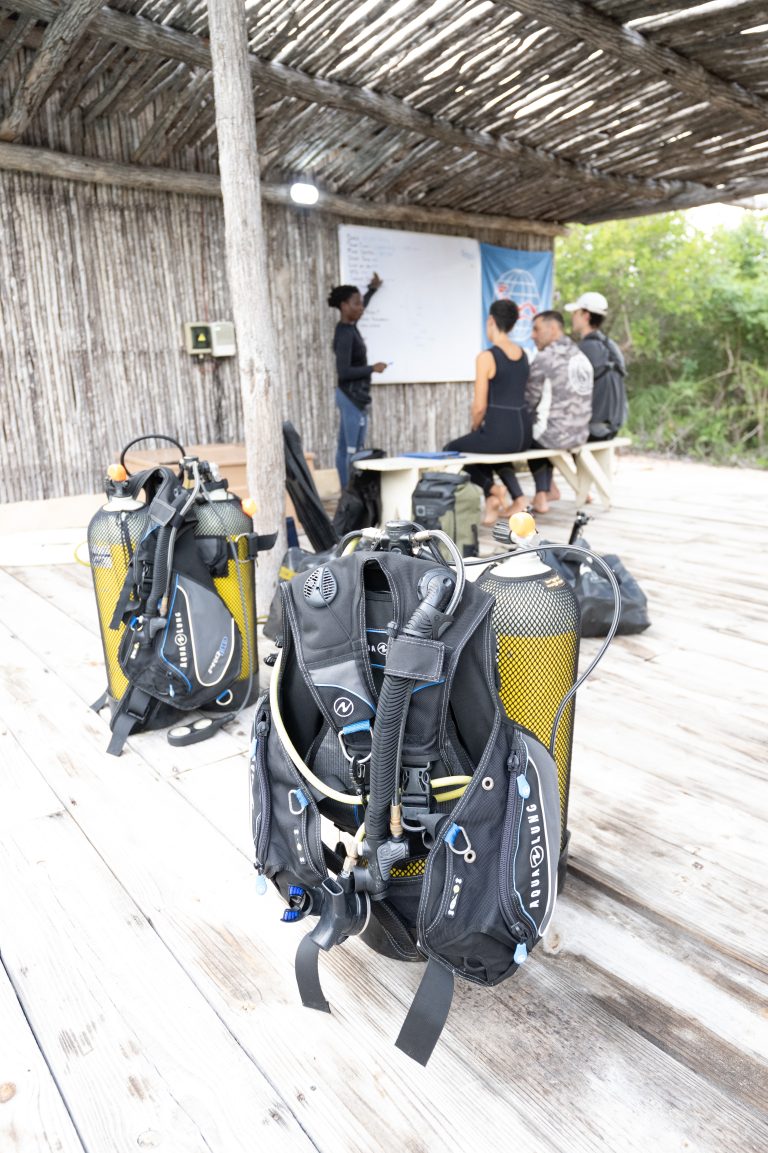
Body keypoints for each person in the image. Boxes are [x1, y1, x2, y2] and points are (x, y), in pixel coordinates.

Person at [443, 298, 532, 523]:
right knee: (490, 449)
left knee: (452, 449)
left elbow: (479, 406)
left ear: (491, 320)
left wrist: (475, 426)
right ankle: (508, 499)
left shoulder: (487, 357)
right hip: (523, 434)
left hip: (501, 433)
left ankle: (492, 489)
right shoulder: (523, 354)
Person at [525, 310, 593, 514]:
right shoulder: (581, 355)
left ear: (553, 328)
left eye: (536, 329)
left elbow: (529, 400)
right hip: (581, 433)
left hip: (556, 436)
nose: (532, 335)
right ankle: (577, 489)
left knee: (528, 433)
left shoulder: (545, 358)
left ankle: (541, 495)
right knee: (547, 425)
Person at [328, 274, 387, 487]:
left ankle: (348, 491)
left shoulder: (350, 326)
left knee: (348, 448)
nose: (361, 307)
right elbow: (343, 372)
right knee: (350, 450)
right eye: (357, 304)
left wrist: (372, 290)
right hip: (351, 397)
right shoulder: (344, 334)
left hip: (356, 397)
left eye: (362, 303)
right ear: (344, 306)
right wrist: (373, 368)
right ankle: (348, 492)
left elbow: (363, 306)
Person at [564, 291, 628, 441]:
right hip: (612, 427)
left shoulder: (583, 350)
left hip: (591, 430)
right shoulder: (612, 347)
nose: (572, 316)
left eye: (575, 312)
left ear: (586, 316)